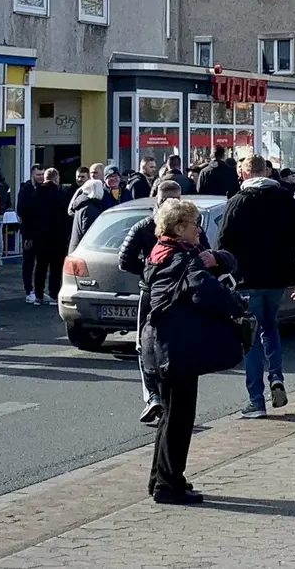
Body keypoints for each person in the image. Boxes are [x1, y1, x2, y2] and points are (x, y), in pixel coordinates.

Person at [139, 198, 243, 504]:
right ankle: (168, 485)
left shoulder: (161, 253)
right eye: (194, 224)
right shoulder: (181, 258)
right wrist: (237, 307)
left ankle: (164, 478)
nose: (199, 230)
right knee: (179, 416)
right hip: (176, 346)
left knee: (171, 414)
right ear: (179, 227)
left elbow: (218, 263)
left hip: (158, 343)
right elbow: (204, 290)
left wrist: (217, 259)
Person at [216, 157, 295, 418]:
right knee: (270, 328)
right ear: (266, 171)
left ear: (243, 173)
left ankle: (256, 400)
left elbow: (222, 243)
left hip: (247, 280)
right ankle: (276, 377)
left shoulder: (237, 202)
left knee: (249, 337)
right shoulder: (286, 199)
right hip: (277, 278)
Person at [119, 180, 185, 424]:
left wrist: (148, 271)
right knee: (171, 344)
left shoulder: (145, 226)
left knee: (144, 344)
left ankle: (154, 396)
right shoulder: (186, 226)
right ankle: (163, 399)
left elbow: (124, 260)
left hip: (151, 291)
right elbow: (201, 254)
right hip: (177, 290)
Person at [16, 165, 49, 305]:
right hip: (29, 233)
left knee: (42, 264)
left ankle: (39, 291)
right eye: (38, 175)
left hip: (43, 233)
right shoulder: (25, 190)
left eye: (42, 174)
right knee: (28, 263)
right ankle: (29, 291)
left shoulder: (45, 189)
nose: (40, 177)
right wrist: (28, 235)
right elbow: (22, 211)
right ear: (32, 175)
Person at [35, 168, 66, 303]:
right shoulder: (60, 194)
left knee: (40, 266)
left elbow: (30, 214)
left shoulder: (36, 192)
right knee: (56, 267)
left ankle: (38, 295)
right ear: (56, 178)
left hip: (40, 235)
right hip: (57, 236)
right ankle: (54, 294)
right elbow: (65, 214)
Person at [68, 179, 109, 252]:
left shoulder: (82, 203)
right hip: (84, 252)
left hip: (76, 249)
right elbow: (88, 233)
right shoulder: (89, 208)